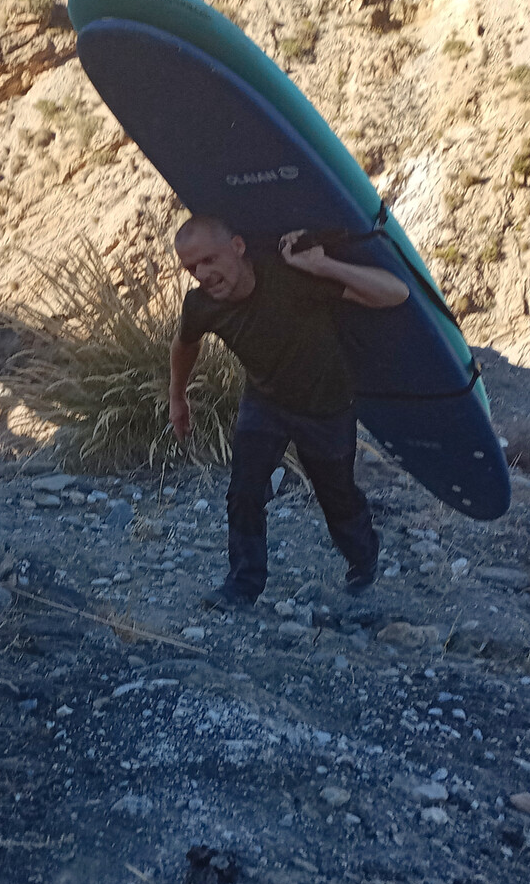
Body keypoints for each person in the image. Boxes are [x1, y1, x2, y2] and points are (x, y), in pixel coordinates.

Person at [168, 214, 410, 608]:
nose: (202, 274)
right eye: (192, 267)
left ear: (238, 246)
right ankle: (243, 585)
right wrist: (177, 396)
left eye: (209, 260)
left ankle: (363, 560)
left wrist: (323, 264)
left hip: (326, 406)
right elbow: (184, 343)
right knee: (244, 492)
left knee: (337, 496)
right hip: (265, 402)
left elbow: (394, 293)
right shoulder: (201, 304)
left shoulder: (290, 278)